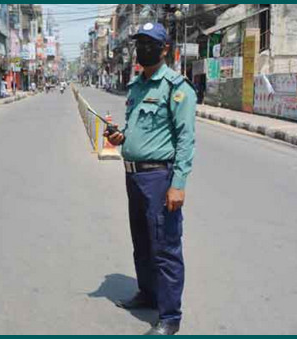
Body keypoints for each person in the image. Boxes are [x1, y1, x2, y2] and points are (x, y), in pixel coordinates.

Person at [105, 22, 196, 336]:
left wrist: (178, 183)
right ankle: (147, 294)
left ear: (164, 49)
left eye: (149, 43)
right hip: (134, 177)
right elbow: (136, 131)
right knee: (141, 242)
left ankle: (170, 316)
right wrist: (120, 137)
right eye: (139, 43)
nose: (143, 49)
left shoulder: (176, 87)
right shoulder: (136, 87)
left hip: (160, 178)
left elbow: (185, 140)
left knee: (165, 247)